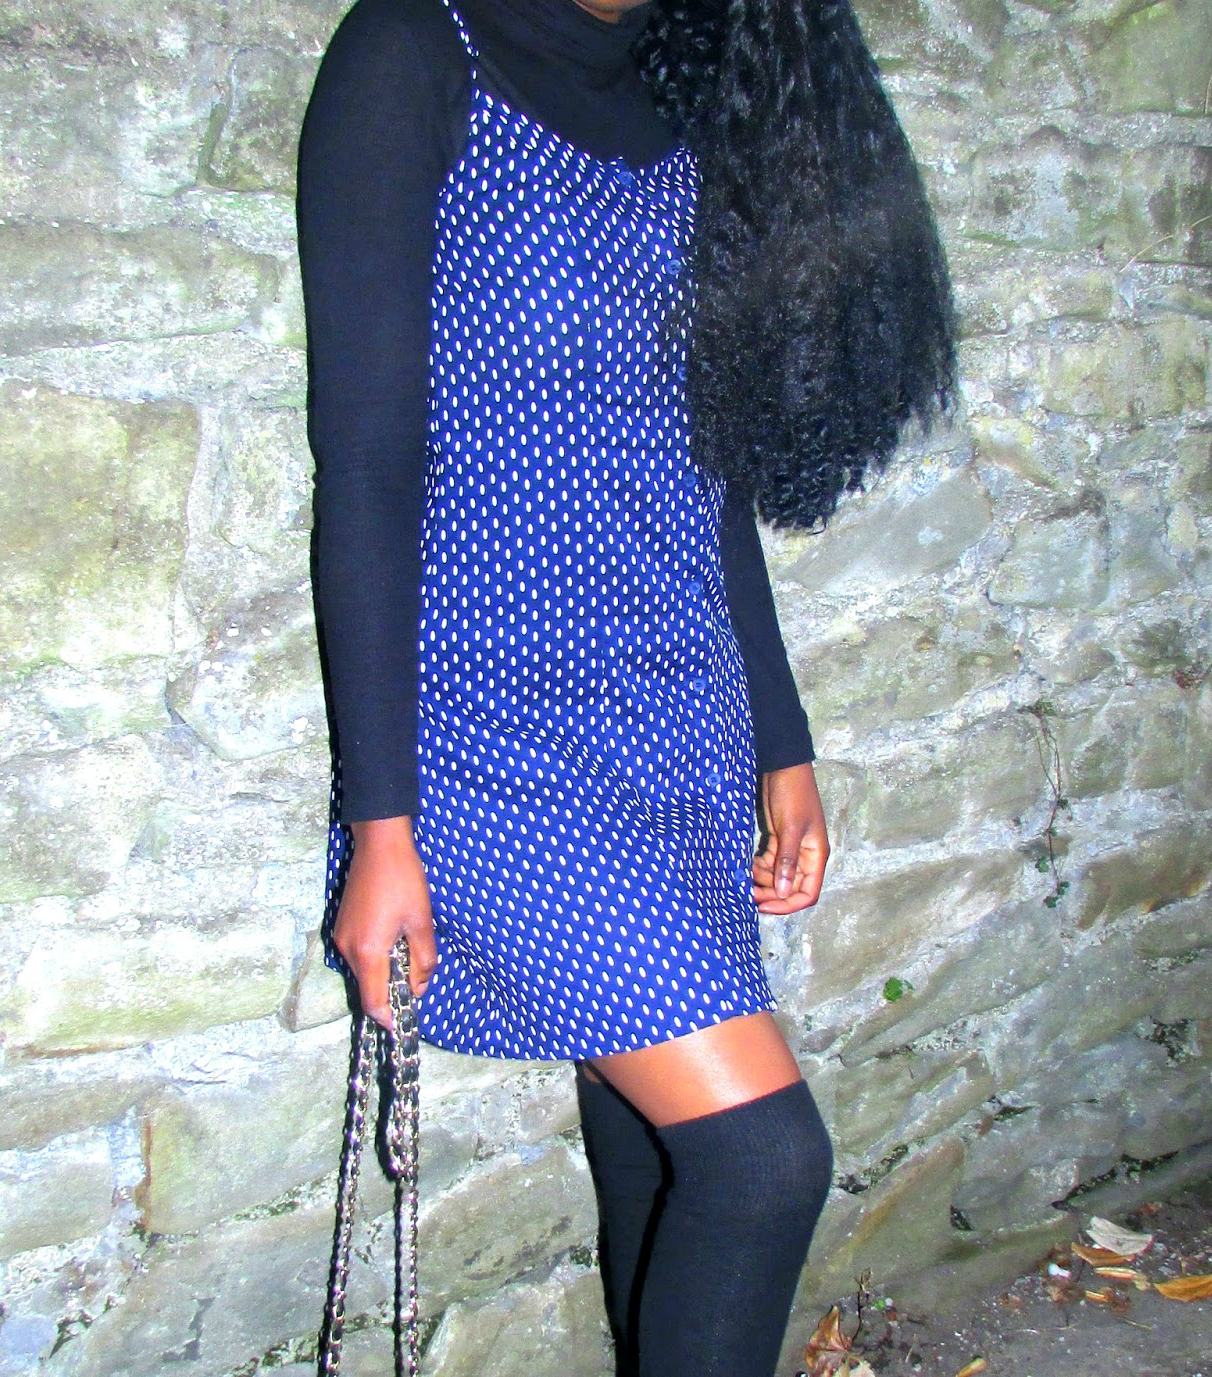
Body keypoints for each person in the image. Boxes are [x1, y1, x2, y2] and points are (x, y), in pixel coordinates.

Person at [295, 0, 955, 1371]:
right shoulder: (415, 54)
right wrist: (381, 826)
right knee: (763, 1159)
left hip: (676, 707)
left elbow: (708, 464)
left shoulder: (686, 100)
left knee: (662, 1148)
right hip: (490, 727)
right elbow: (363, 465)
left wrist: (782, 740)